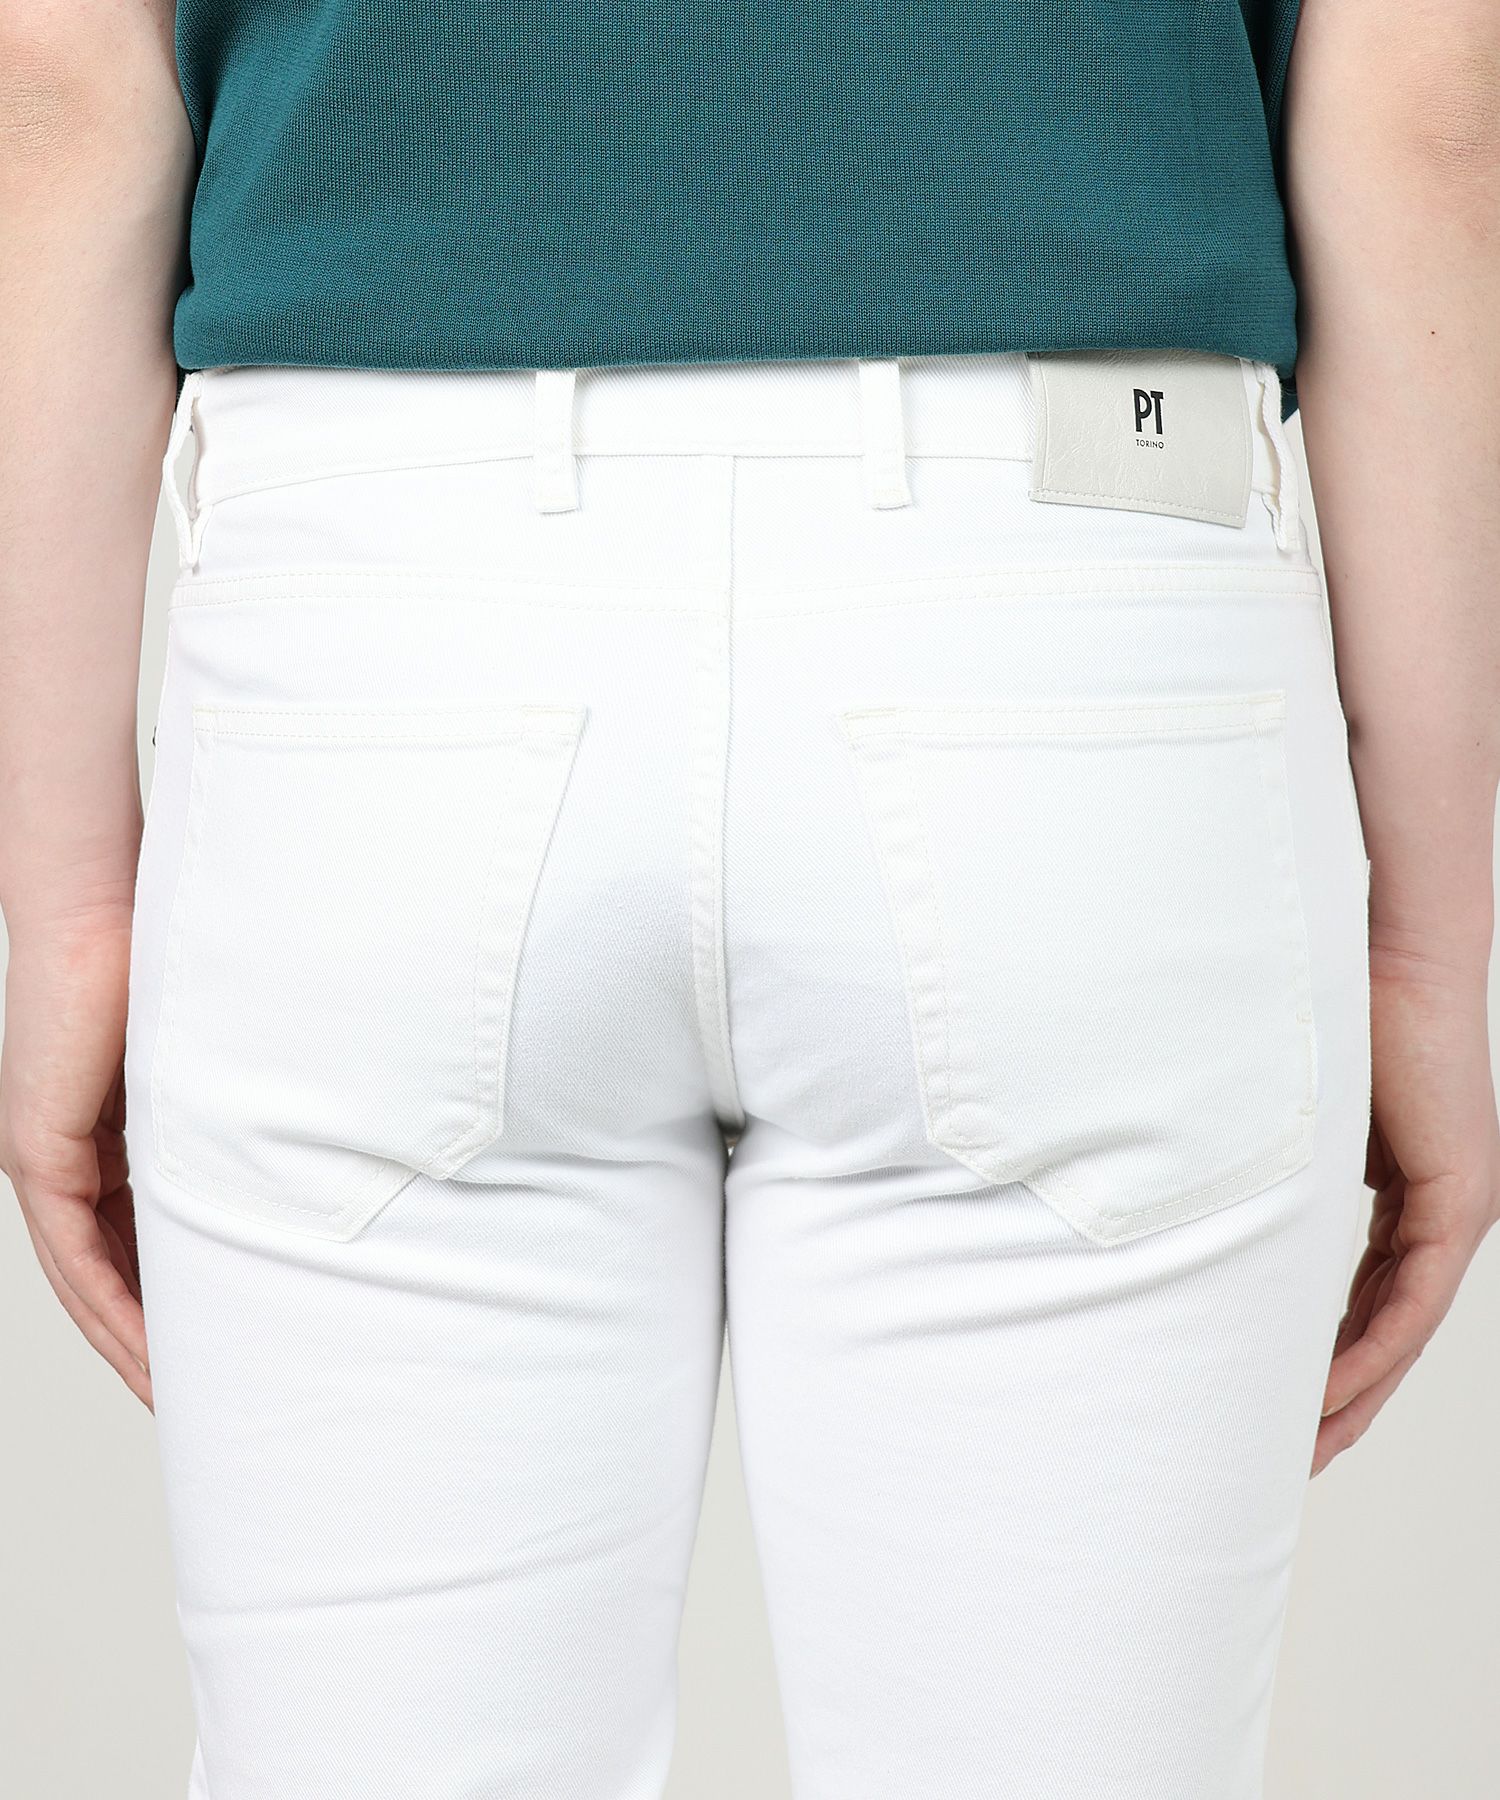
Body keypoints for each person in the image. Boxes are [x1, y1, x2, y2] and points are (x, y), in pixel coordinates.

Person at [2, 1, 1496, 1794]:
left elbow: (53, 80)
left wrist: (68, 909)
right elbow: (1432, 100)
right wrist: (1427, 948)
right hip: (1072, 577)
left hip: (387, 610)